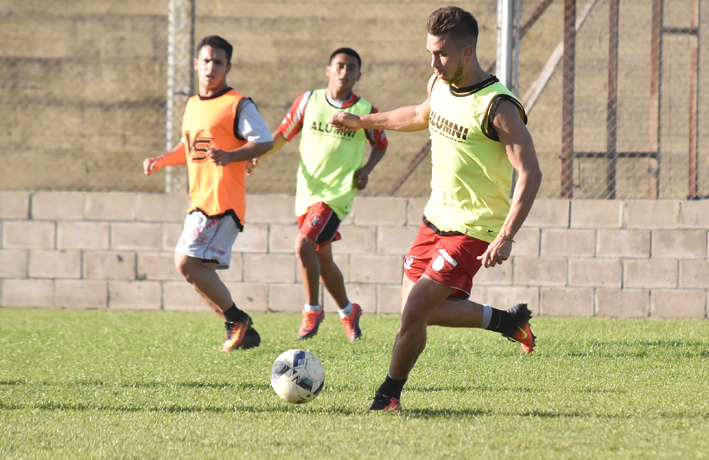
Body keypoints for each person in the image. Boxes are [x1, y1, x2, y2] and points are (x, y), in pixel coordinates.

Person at [329, 7, 543, 411]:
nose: (433, 62)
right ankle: (507, 322)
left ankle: (387, 396)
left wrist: (506, 235)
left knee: (412, 314)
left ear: (467, 51)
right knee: (421, 312)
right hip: (434, 221)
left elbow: (530, 173)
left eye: (441, 54)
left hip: (472, 230)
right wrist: (361, 123)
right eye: (430, 52)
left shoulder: (498, 106)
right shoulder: (439, 84)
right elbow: (415, 115)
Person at [143, 35, 274, 352]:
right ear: (195, 64)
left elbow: (265, 140)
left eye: (218, 62)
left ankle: (237, 320)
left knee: (187, 264)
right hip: (199, 202)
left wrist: (232, 156)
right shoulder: (191, 105)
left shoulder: (237, 104)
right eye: (206, 61)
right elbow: (190, 146)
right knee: (192, 269)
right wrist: (163, 160)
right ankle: (243, 331)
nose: (211, 67)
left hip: (222, 203)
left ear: (228, 66)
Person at [249, 48, 388, 342]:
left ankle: (312, 310)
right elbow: (282, 134)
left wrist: (367, 169)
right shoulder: (309, 101)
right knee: (322, 259)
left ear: (358, 75)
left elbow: (381, 143)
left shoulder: (365, 110)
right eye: (339, 65)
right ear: (328, 70)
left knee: (303, 246)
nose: (344, 72)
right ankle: (349, 311)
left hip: (336, 195)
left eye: (351, 68)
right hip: (307, 192)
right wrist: (258, 156)